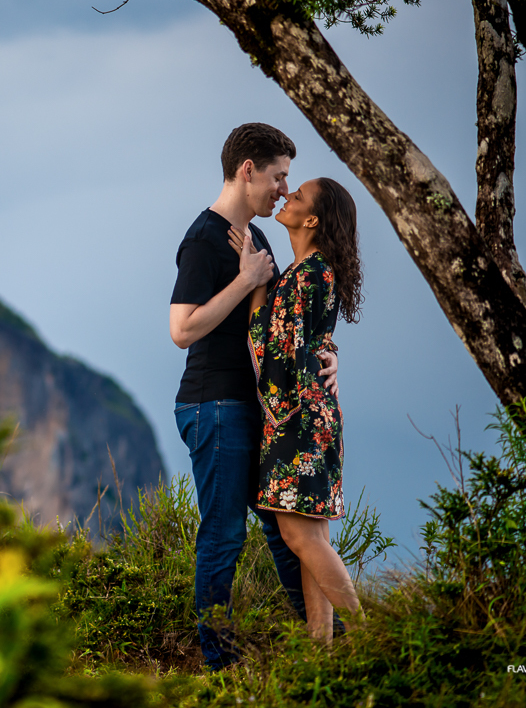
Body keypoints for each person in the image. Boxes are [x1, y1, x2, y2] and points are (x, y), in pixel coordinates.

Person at [169, 123, 339, 670]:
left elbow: (287, 322)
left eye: (288, 180)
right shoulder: (203, 238)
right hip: (214, 404)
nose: (283, 189)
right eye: (278, 176)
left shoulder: (259, 239)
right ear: (248, 170)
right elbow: (182, 329)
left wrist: (329, 355)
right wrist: (244, 282)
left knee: (282, 528)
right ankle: (219, 666)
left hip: (256, 410)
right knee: (224, 537)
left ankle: (321, 651)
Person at [231, 176, 363, 642]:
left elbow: (269, 348)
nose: (287, 196)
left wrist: (254, 285)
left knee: (299, 537)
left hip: (297, 421)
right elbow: (309, 344)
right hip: (315, 416)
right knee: (313, 538)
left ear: (312, 220)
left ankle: (370, 635)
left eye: (299, 196)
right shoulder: (314, 271)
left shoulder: (307, 275)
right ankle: (321, 652)